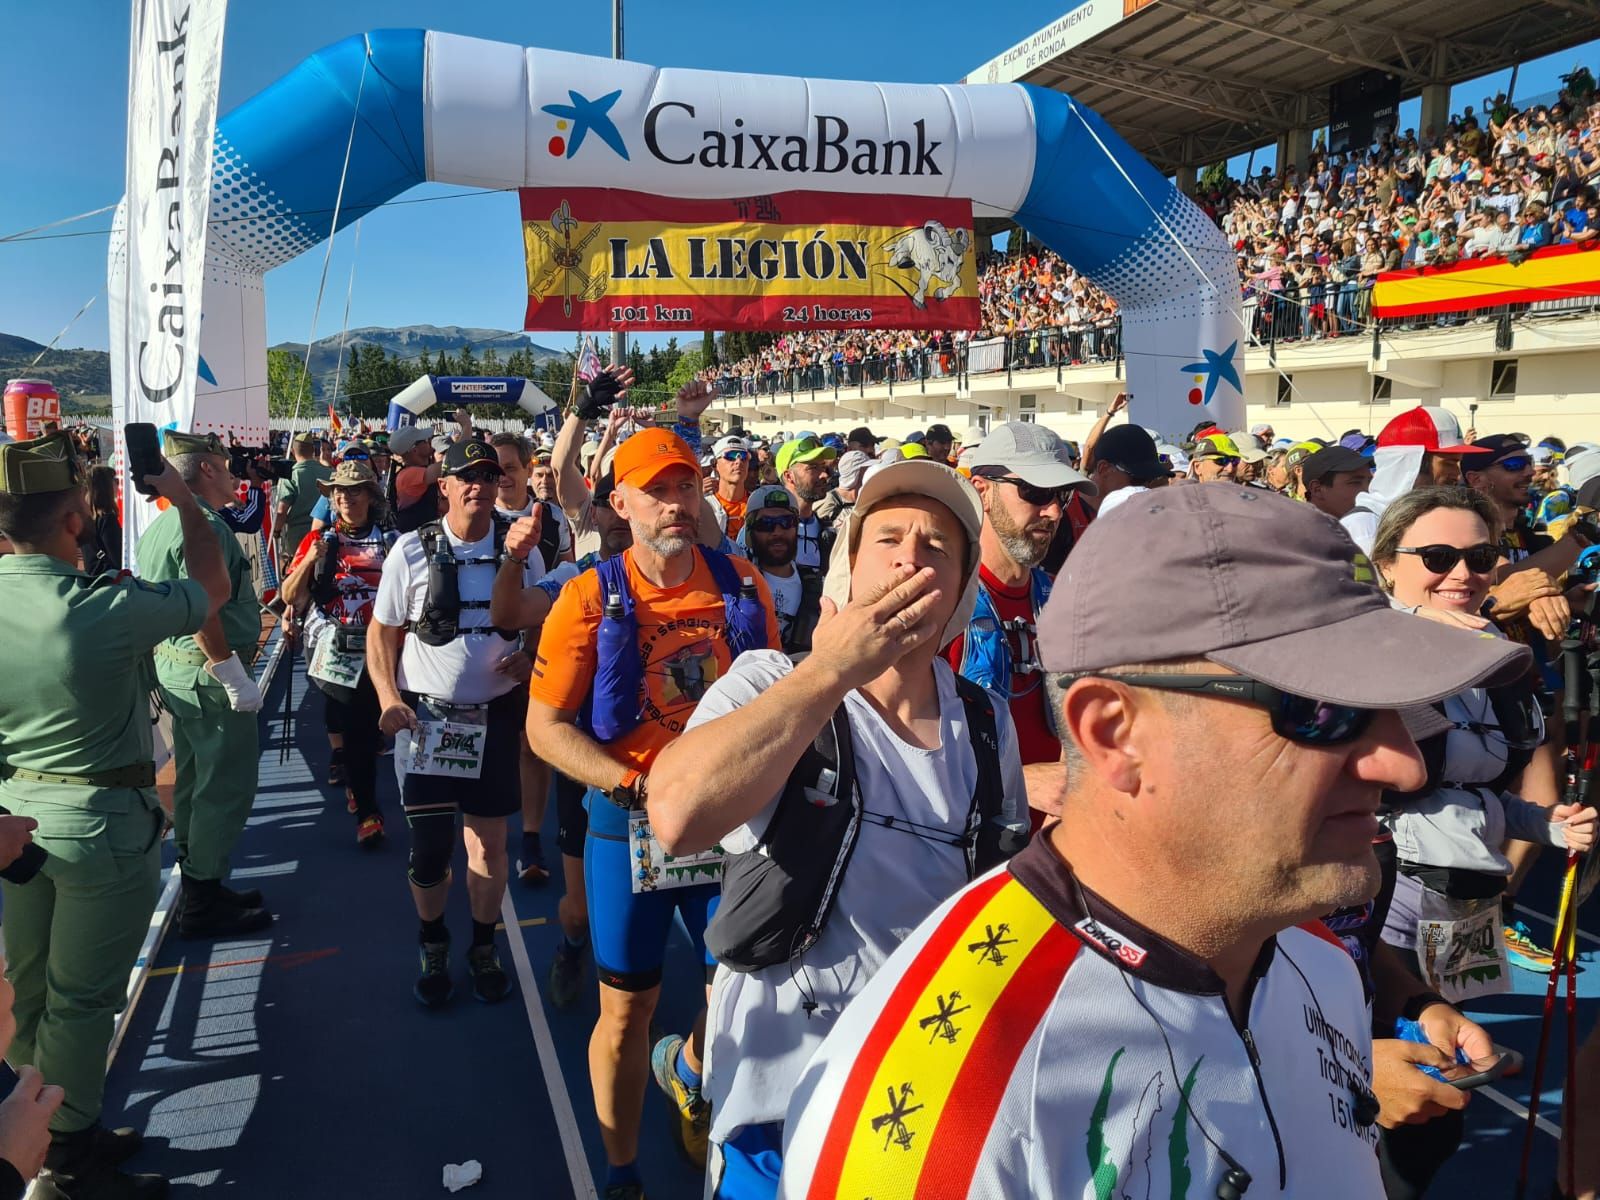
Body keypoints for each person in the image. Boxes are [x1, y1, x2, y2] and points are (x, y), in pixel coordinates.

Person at [779, 483, 1531, 1200]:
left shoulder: (1318, 960)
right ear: (1116, 735)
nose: (1401, 764)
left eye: (1394, 707)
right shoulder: (951, 1114)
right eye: (1324, 712)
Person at [645, 458, 1028, 1198]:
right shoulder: (768, 680)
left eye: (937, 547)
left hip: (911, 1105)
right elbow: (678, 816)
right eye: (888, 538)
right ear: (848, 572)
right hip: (776, 1100)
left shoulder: (985, 722)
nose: (911, 557)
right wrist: (832, 671)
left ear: (958, 596)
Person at [526, 427, 779, 1198]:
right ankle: (622, 1167)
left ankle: (692, 1072)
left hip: (724, 827)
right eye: (658, 489)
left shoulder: (741, 586)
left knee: (730, 996)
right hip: (627, 827)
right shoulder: (585, 597)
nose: (675, 502)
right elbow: (545, 728)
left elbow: (770, 703)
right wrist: (631, 785)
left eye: (685, 486)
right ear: (621, 501)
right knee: (627, 1009)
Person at [0, 430, 231, 1200]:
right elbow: (212, 586)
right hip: (99, 826)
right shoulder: (103, 610)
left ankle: (39, 1125)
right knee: (84, 1000)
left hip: (16, 823)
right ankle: (68, 1160)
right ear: (75, 522)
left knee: (33, 991)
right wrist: (185, 498)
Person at [1368, 486, 1597, 1194]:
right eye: (1437, 557)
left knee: (1452, 1082)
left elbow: (1486, 793)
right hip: (1389, 905)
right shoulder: (1367, 651)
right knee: (1406, 1110)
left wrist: (1551, 824)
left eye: (1480, 557)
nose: (1462, 573)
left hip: (1468, 905)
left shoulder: (1492, 653)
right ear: (1386, 567)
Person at [367, 438, 549, 1008]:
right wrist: (386, 696)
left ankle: (483, 946)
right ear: (442, 485)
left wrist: (531, 654)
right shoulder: (410, 550)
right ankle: (433, 940)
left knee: (490, 846)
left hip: (494, 719)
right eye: (467, 477)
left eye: (490, 477)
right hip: (427, 722)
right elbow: (383, 631)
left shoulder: (522, 549)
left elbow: (546, 613)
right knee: (429, 849)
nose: (480, 487)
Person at [137, 431, 272, 940]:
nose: (236, 473)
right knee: (226, 786)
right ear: (208, 470)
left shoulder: (163, 525)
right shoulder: (205, 530)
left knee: (195, 781)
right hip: (210, 672)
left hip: (180, 670)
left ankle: (202, 881)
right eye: (226, 463)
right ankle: (202, 898)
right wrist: (231, 672)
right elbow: (205, 608)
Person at [949, 422, 1095, 824]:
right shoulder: (943, 605)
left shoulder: (1065, 600)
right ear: (982, 490)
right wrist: (1019, 782)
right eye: (1034, 492)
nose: (1052, 512)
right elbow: (902, 750)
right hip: (972, 854)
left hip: (1056, 850)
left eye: (1061, 496)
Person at [280, 461, 396, 848]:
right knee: (357, 730)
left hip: (381, 648)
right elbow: (290, 596)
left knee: (374, 729)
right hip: (335, 650)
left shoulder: (392, 541)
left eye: (354, 490)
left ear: (371, 496)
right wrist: (311, 560)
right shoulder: (321, 542)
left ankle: (359, 787)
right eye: (338, 492)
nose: (345, 498)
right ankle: (368, 812)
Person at [491, 432, 571, 887]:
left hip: (536, 647)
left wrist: (533, 649)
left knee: (531, 744)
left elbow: (563, 586)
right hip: (483, 653)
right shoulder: (472, 517)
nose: (500, 478)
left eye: (509, 468)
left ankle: (531, 836)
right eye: (493, 469)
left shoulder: (554, 520)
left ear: (526, 471)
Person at [1342, 406, 1476, 554]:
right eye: (1449, 463)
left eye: (1458, 463)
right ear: (1413, 465)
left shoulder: (1435, 518)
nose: (1457, 474)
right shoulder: (1363, 530)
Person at [738, 485, 822, 655]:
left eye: (786, 522)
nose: (777, 531)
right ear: (750, 531)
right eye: (765, 524)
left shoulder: (820, 586)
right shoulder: (734, 575)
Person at [774, 435, 838, 571]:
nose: (824, 475)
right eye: (813, 468)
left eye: (822, 467)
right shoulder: (765, 530)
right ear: (789, 476)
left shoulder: (826, 530)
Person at [272, 433, 331, 562]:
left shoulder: (291, 475)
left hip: (298, 538)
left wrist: (276, 532)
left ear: (293, 451)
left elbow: (281, 511)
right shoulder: (330, 472)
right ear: (314, 451)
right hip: (325, 534)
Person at [1303, 445, 1373, 519]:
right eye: (1355, 482)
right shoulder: (1298, 529)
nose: (1368, 491)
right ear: (1317, 489)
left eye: (1370, 481)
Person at [708, 435, 753, 540]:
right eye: (730, 456)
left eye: (744, 456)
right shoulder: (706, 508)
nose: (738, 461)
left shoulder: (758, 504)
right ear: (715, 465)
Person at [78, 467, 120, 577]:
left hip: (92, 577)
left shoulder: (86, 517)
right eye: (115, 481)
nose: (118, 485)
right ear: (106, 487)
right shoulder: (107, 518)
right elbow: (117, 559)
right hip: (108, 580)